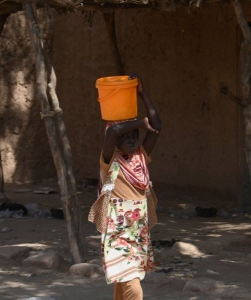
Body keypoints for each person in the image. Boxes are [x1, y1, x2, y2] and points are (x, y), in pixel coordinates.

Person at [88, 74, 162, 300]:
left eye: (135, 136)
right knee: (131, 284)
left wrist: (142, 93)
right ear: (116, 143)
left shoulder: (141, 156)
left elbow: (156, 125)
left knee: (127, 280)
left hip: (137, 229)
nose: (132, 140)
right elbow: (111, 132)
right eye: (126, 137)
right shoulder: (109, 161)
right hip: (118, 229)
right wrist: (138, 122)